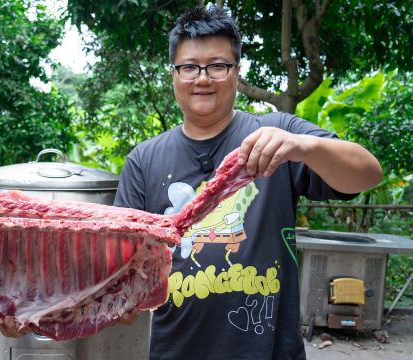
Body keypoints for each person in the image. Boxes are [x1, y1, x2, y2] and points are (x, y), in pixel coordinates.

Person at [113, 6, 382, 360]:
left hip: (268, 350)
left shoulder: (279, 135)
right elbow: (118, 262)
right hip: (173, 348)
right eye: (190, 67)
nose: (203, 78)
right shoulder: (144, 160)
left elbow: (367, 173)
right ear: (174, 74)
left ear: (237, 72)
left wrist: (306, 146)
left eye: (218, 66)